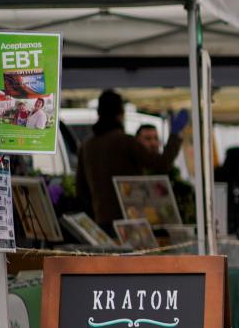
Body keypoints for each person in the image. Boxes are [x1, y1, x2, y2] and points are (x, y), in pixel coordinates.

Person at [75, 90, 188, 229]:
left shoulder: (86, 146)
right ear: (121, 114)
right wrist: (175, 136)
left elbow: (80, 190)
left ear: (98, 113)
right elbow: (162, 163)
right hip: (130, 221)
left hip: (101, 221)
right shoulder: (126, 141)